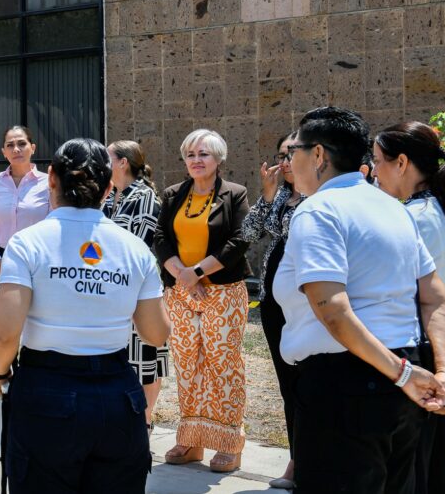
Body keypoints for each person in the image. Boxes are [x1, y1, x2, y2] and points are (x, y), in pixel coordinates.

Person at [273, 106, 445, 494]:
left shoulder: (318, 211)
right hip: (401, 377)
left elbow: (333, 310)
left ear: (318, 155)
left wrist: (405, 374)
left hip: (346, 385)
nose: (289, 162)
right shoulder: (393, 208)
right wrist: (442, 372)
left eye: (293, 152)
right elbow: (437, 300)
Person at [0, 138, 170, 492]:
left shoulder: (27, 243)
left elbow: (5, 334)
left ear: (51, 178)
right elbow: (156, 333)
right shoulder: (135, 249)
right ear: (107, 188)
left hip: (46, 391)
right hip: (118, 397)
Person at [373, 121, 445, 494]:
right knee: (435, 465)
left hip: (422, 352)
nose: (374, 172)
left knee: (410, 469)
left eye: (378, 161)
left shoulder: (412, 217)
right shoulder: (444, 208)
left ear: (402, 163)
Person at [153, 128, 251, 473]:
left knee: (223, 365)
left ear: (218, 158)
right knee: (187, 365)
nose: (196, 160)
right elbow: (160, 236)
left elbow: (240, 240)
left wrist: (196, 272)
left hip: (222, 291)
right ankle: (192, 440)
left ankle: (229, 444)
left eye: (203, 154)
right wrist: (182, 274)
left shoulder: (235, 194)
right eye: (191, 154)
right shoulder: (173, 194)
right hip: (179, 292)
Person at [241, 131, 305, 490]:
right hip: (271, 302)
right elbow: (250, 232)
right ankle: (296, 459)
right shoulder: (281, 194)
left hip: (306, 305)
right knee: (287, 385)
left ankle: (308, 461)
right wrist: (267, 195)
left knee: (308, 384)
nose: (286, 161)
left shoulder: (318, 195)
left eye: (292, 152)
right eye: (282, 154)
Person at [102, 139, 167, 432]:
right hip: (109, 288)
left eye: (108, 158)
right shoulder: (108, 196)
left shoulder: (145, 197)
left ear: (123, 163)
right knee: (121, 358)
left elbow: (139, 246)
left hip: (138, 290)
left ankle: (145, 422)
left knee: (145, 359)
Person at [0, 126, 50, 316]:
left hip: (36, 262)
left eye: (22, 143)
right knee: (0, 322)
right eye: (10, 145)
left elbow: (55, 227)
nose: (16, 149)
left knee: (35, 322)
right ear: (4, 152)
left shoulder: (49, 183)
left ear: (33, 148)